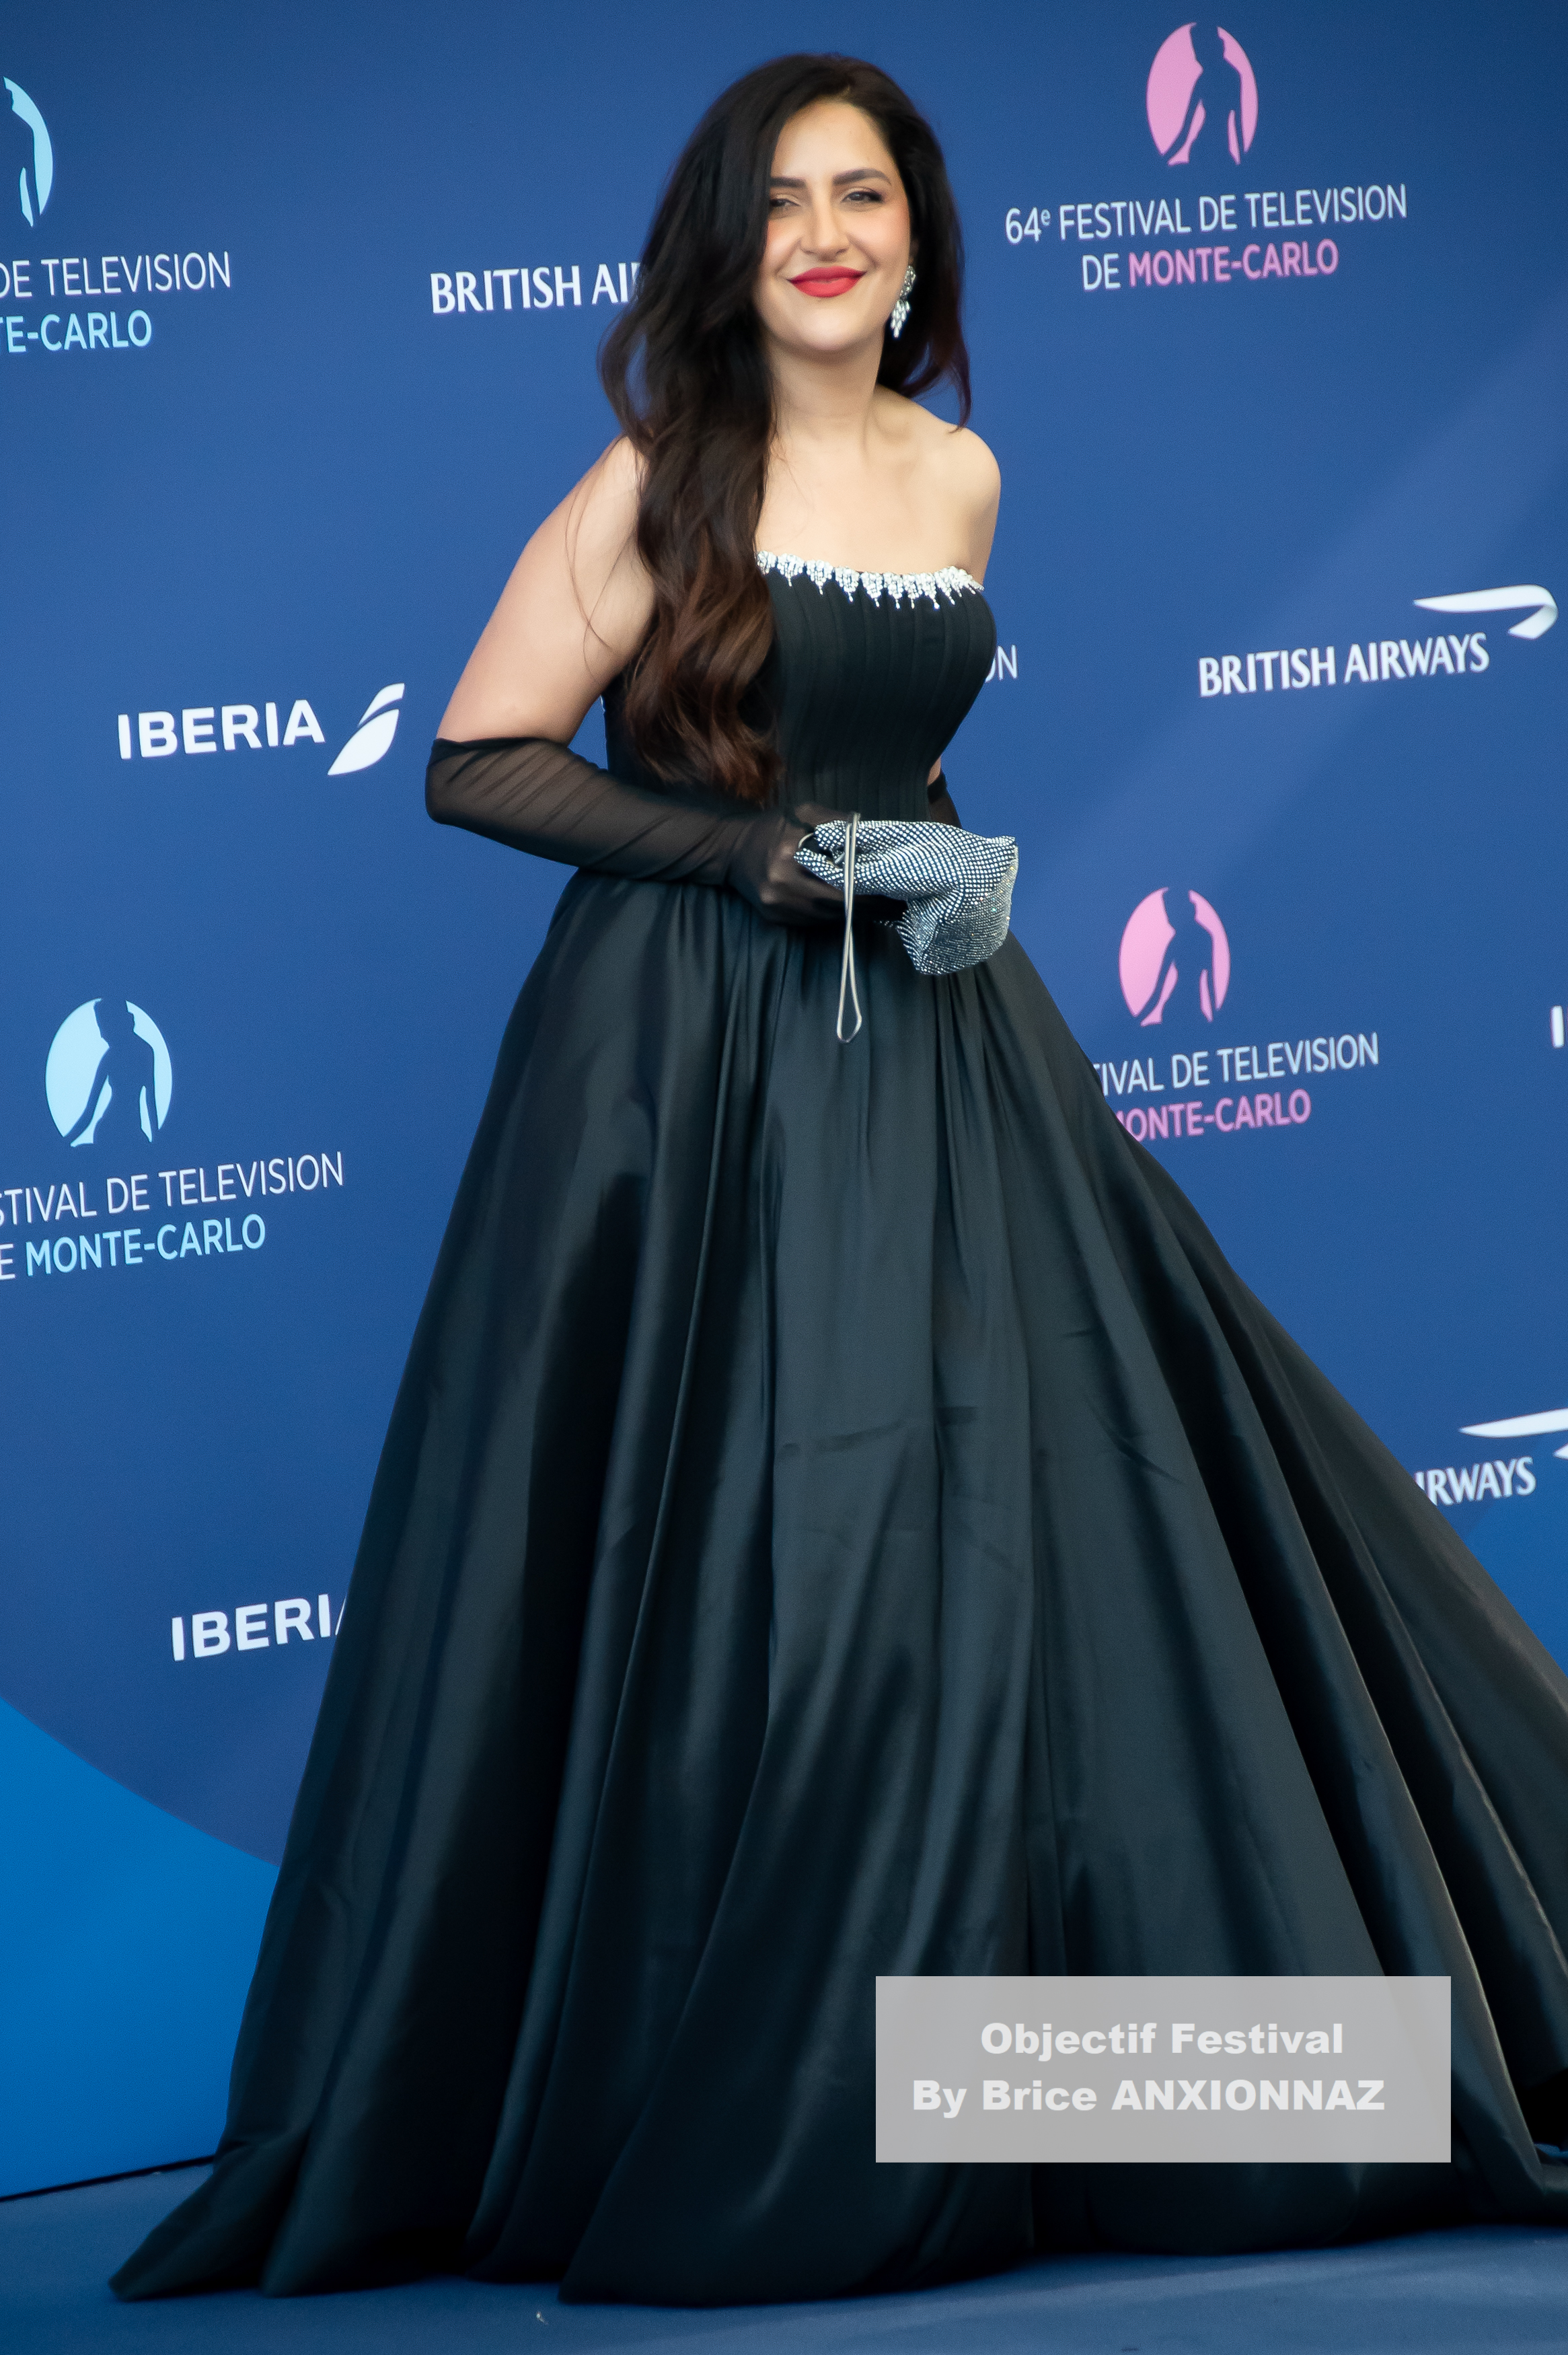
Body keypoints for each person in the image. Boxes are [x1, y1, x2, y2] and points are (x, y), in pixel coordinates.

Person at [114, 51, 1568, 2309]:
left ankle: (1053, 2094)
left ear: (914, 240)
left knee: (1033, 1523)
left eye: (864, 194)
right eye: (783, 195)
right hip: (680, 1069)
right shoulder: (651, 484)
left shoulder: (963, 473)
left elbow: (902, 726)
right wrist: (751, 856)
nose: (825, 230)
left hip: (943, 1032)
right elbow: (474, 761)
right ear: (730, 241)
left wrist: (945, 859)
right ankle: (730, 2098)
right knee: (748, 1548)